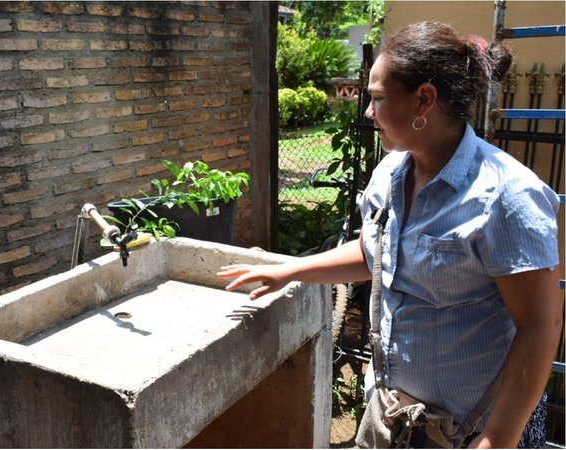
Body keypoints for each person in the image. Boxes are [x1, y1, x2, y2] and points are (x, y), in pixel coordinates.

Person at [217, 21, 562, 449]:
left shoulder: (505, 196)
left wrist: (499, 437)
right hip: (394, 419)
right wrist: (289, 271)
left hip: (469, 433)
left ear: (424, 100)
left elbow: (541, 326)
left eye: (378, 98)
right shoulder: (390, 173)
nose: (367, 111)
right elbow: (374, 253)